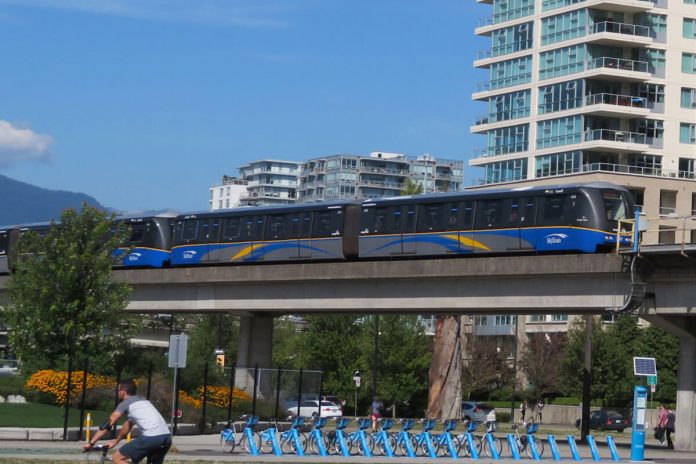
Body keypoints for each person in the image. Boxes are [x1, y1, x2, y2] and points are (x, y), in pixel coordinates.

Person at [83, 379, 172, 464]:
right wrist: (116, 441)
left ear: (123, 391)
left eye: (118, 390)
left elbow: (108, 424)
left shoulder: (125, 404)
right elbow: (127, 426)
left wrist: (91, 443)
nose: (117, 392)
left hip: (151, 438)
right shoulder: (143, 400)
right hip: (167, 437)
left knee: (117, 458)